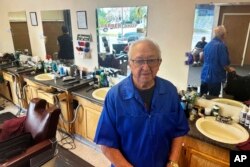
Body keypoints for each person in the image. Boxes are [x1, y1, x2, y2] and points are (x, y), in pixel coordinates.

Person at [94, 39, 189, 167]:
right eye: (139, 61)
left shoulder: (170, 92)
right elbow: (106, 144)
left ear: (159, 63)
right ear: (130, 64)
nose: (146, 67)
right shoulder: (115, 96)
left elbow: (179, 131)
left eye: (151, 60)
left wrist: (172, 162)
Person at [200, 25, 235, 97]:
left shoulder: (207, 44)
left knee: (202, 96)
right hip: (215, 76)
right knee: (213, 98)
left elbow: (201, 57)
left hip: (204, 74)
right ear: (223, 35)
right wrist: (230, 70)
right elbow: (224, 64)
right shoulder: (221, 46)